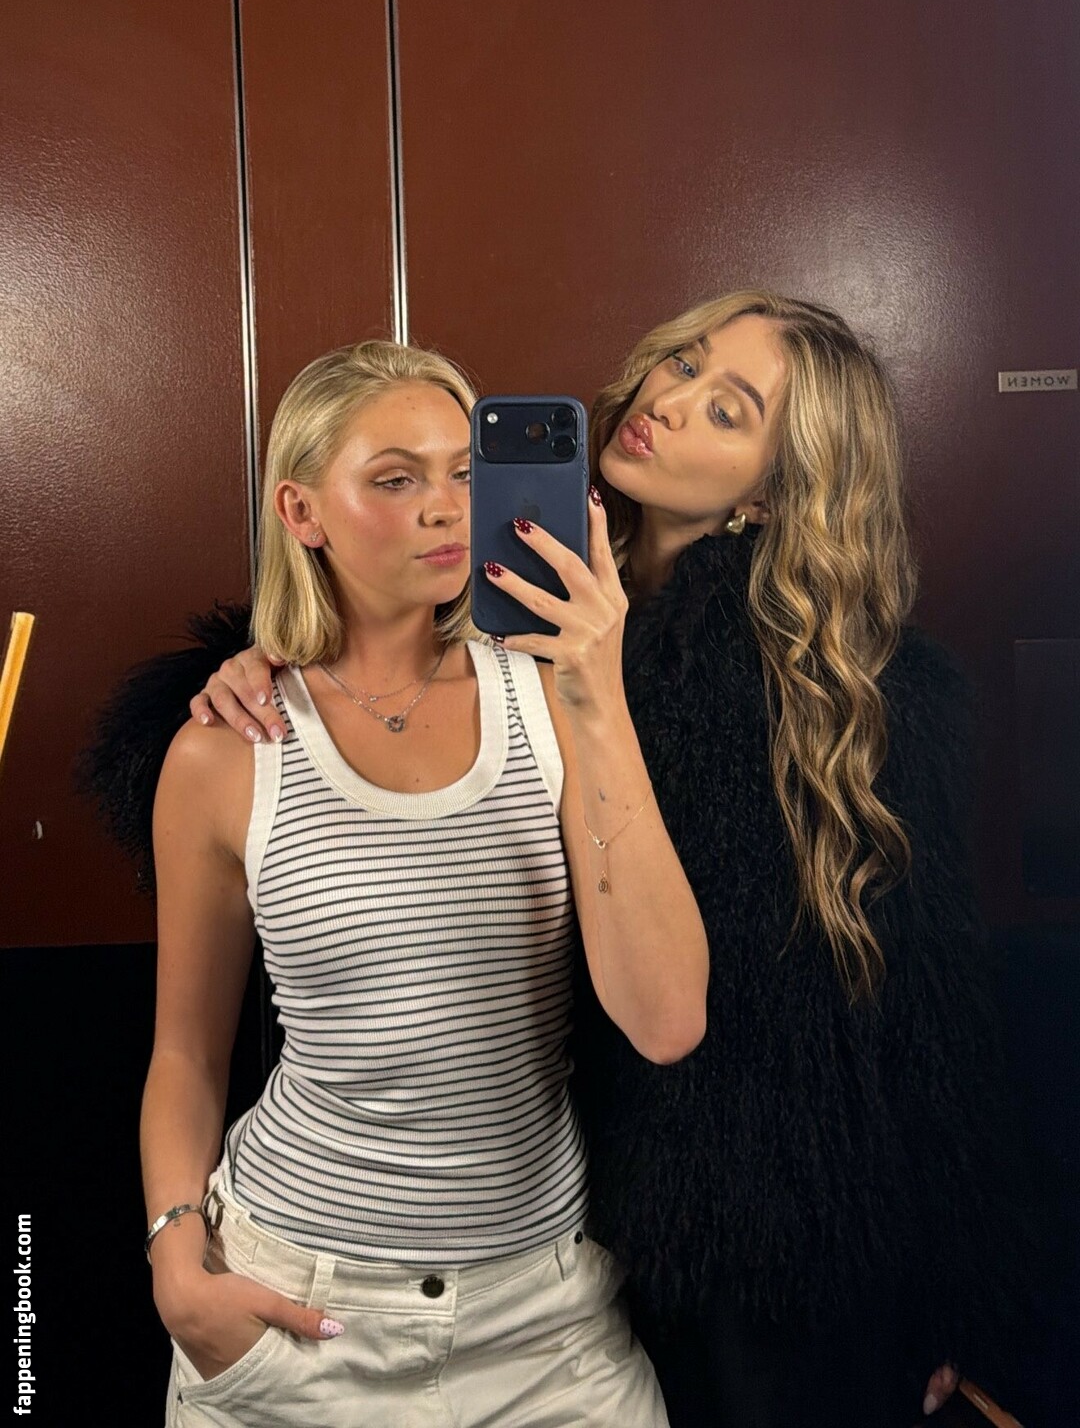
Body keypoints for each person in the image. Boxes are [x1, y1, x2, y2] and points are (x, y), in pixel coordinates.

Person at [198, 294, 1026, 1428]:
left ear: (773, 490)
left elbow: (932, 1015)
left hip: (778, 1246)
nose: (669, 402)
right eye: (682, 364)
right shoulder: (515, 606)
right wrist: (258, 666)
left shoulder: (851, 696)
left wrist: (948, 1287)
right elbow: (369, 684)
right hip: (560, 1226)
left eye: (727, 410)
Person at [143, 337, 707, 1427]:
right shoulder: (224, 749)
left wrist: (597, 691)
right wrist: (175, 1256)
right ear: (302, 511)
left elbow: (668, 1015)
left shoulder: (554, 695)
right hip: (296, 1310)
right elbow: (185, 1053)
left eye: (463, 471)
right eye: (396, 479)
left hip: (544, 1326)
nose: (446, 507)